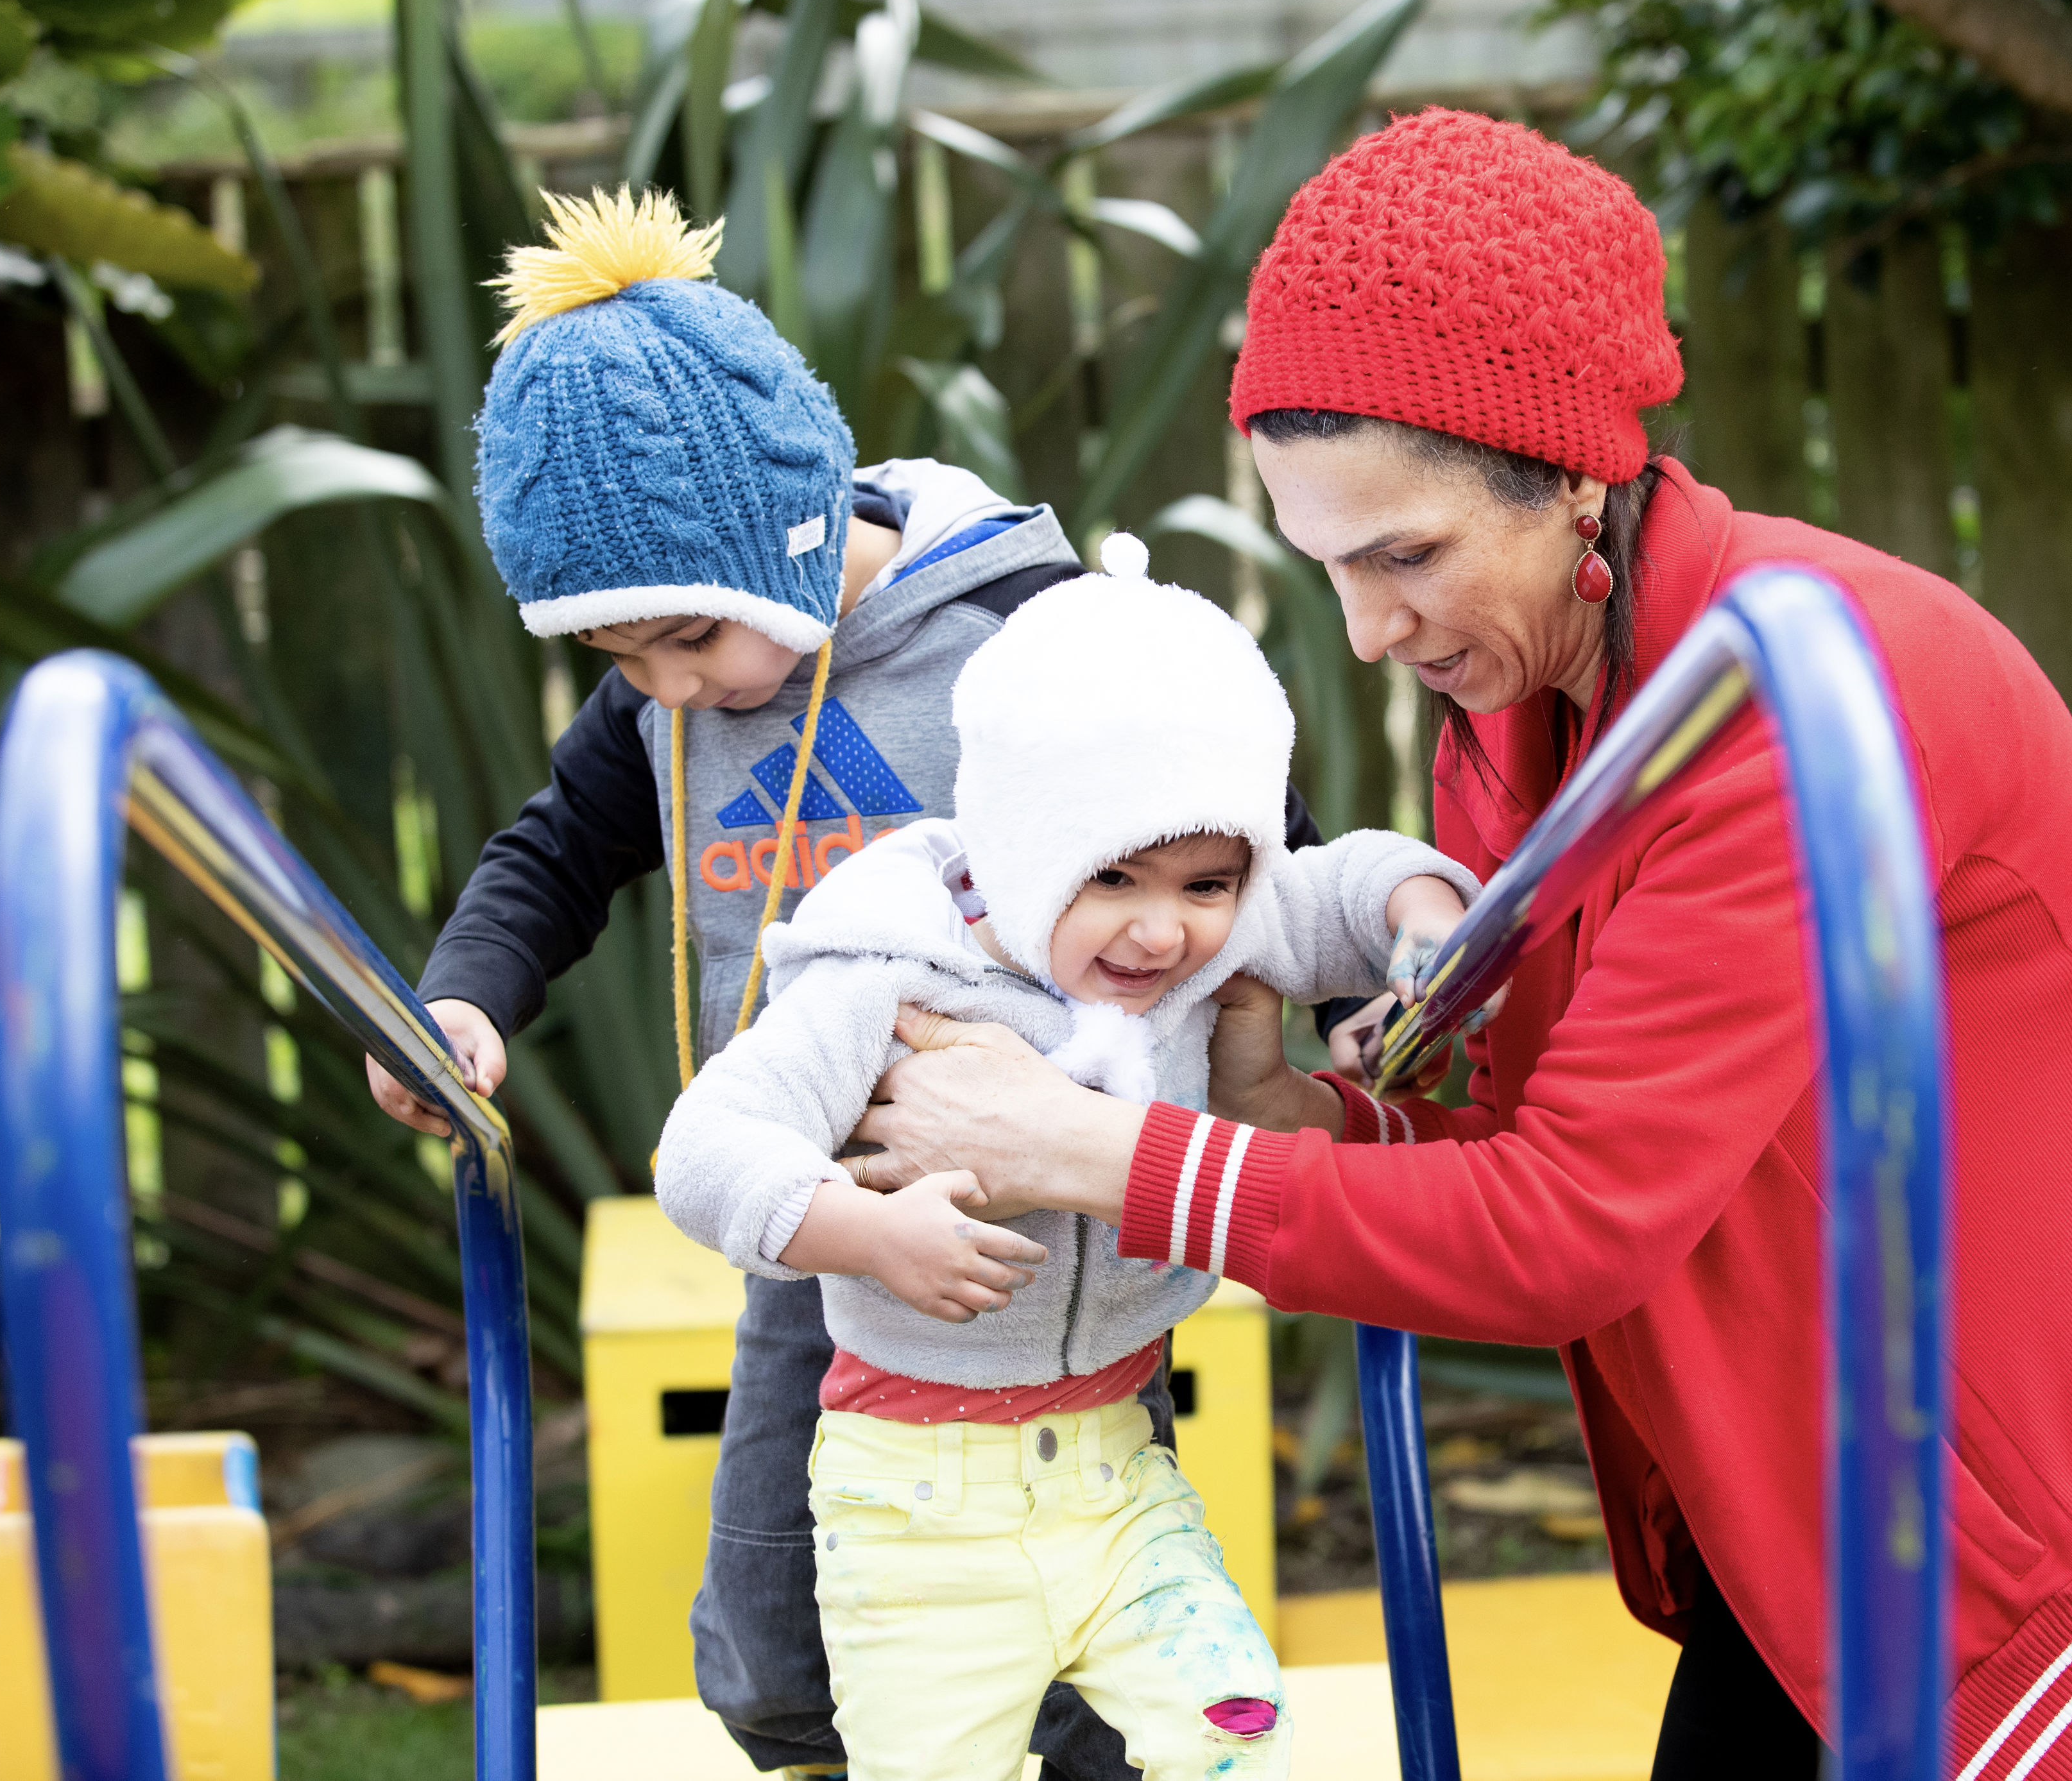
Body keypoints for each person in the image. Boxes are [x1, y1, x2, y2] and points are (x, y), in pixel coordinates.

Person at [841, 110, 2072, 1781]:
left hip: (2062, 1504)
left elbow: (1568, 1227)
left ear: (1569, 476)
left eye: (1402, 555)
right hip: (1832, 1493)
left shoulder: (1800, 695)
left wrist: (1099, 1153)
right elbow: (1551, 1118)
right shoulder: (1514, 712)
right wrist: (1300, 1121)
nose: (1365, 632)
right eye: (1324, 565)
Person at [354, 189, 1341, 1778]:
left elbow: (1240, 821)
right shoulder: (669, 707)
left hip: (1061, 1215)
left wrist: (1338, 991)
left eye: (685, 640)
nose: (668, 692)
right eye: (624, 663)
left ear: (795, 538)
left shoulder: (1024, 630)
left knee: (1090, 1614)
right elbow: (551, 855)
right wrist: (466, 999)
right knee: (768, 1652)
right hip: (825, 1210)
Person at [656, 567, 1476, 1778]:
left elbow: (1341, 884)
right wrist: (865, 1234)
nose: (1163, 932)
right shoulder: (889, 975)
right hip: (916, 1505)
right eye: (1115, 883)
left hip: (1115, 1470)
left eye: (1207, 885)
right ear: (1023, 849)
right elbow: (706, 1150)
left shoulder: (1212, 926)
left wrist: (1419, 912)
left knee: (1232, 1733)